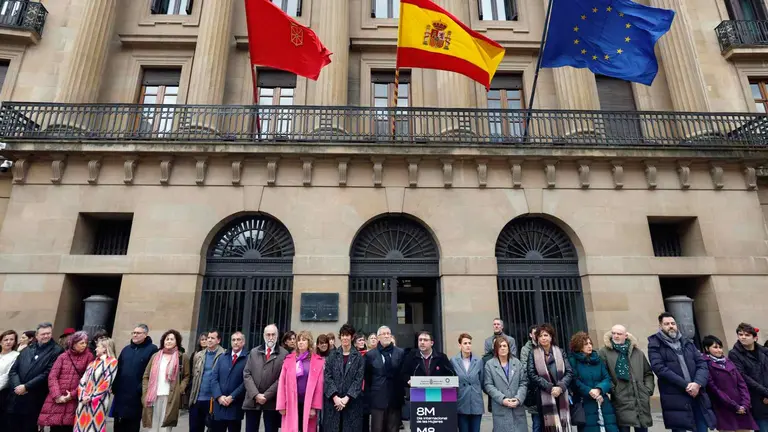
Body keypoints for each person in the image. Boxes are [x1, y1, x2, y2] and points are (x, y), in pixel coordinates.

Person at [648, 312, 715, 432]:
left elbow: (702, 364)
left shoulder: (688, 342)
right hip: (675, 395)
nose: (671, 326)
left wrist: (697, 383)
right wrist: (686, 385)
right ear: (660, 326)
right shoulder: (655, 344)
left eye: (673, 323)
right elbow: (659, 368)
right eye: (666, 324)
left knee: (702, 427)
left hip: (696, 393)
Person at [7, 322, 64, 432]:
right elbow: (13, 370)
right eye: (43, 334)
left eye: (48, 333)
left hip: (36, 397)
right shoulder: (27, 349)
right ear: (37, 335)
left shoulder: (57, 350)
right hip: (17, 396)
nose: (46, 336)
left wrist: (26, 387)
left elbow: (48, 373)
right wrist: (17, 386)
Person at [599, 324, 654, 432]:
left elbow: (648, 373)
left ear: (626, 336)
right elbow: (603, 374)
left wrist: (647, 390)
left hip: (640, 399)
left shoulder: (637, 353)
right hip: (621, 400)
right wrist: (615, 390)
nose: (616, 336)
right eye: (613, 333)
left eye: (619, 334)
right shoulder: (604, 352)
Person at [38, 330, 95, 432]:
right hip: (58, 399)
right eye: (81, 343)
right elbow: (53, 376)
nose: (84, 345)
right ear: (73, 343)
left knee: (69, 427)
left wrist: (72, 395)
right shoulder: (63, 356)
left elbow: (88, 380)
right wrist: (57, 395)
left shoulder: (89, 357)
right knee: (55, 427)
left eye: (86, 343)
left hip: (74, 400)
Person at [702, 334, 757, 432]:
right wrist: (734, 406)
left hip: (741, 407)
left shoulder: (728, 362)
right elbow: (714, 389)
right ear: (707, 348)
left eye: (720, 347)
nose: (719, 350)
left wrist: (745, 404)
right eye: (715, 347)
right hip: (724, 409)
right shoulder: (705, 364)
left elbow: (741, 384)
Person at [141, 329, 191, 431]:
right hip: (153, 396)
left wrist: (180, 389)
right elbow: (146, 376)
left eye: (172, 339)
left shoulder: (182, 357)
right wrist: (145, 392)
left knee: (165, 427)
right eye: (167, 339)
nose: (169, 341)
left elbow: (187, 376)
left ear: (177, 341)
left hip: (170, 397)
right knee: (152, 427)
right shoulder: (155, 356)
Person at [568, 331, 619, 432]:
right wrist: (590, 391)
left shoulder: (597, 359)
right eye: (585, 344)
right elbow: (575, 381)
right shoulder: (573, 361)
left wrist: (599, 389)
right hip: (585, 403)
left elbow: (607, 378)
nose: (589, 346)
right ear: (578, 346)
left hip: (603, 402)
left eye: (590, 343)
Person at [526, 323, 573, 432]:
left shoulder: (560, 352)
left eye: (546, 335)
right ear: (537, 338)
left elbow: (569, 372)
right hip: (544, 395)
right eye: (540, 336)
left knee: (562, 425)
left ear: (551, 337)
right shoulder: (533, 353)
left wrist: (560, 387)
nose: (543, 338)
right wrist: (549, 387)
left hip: (561, 394)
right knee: (547, 427)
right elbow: (531, 374)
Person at [112, 323, 158, 432]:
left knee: (132, 425)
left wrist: (141, 389)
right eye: (133, 333)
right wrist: (114, 386)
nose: (135, 335)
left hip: (136, 395)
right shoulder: (126, 349)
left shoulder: (152, 349)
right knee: (118, 424)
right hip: (121, 393)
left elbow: (152, 372)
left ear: (145, 335)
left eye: (138, 333)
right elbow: (118, 369)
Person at [243, 324, 288, 432]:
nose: (270, 337)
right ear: (264, 335)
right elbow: (247, 374)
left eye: (273, 334)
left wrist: (266, 395)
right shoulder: (254, 352)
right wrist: (256, 394)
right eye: (268, 335)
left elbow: (282, 378)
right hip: (253, 400)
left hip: (272, 401)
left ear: (277, 336)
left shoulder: (284, 354)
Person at [277, 331, 324, 432]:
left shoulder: (316, 361)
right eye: (299, 340)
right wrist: (281, 405)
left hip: (308, 403)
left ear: (309, 342)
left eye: (304, 340)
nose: (301, 342)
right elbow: (282, 383)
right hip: (291, 403)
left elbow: (319, 386)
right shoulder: (289, 359)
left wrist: (314, 407)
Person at [324, 323, 365, 432]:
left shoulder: (358, 357)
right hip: (334, 403)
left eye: (347, 335)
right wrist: (335, 397)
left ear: (352, 337)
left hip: (352, 403)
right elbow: (327, 376)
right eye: (342, 335)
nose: (345, 338)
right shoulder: (332, 355)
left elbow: (358, 380)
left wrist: (346, 398)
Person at [728, 322, 768, 432]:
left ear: (755, 338)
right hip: (755, 398)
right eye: (740, 334)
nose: (743, 337)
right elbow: (743, 377)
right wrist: (765, 392)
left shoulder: (764, 351)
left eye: (747, 335)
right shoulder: (734, 354)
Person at [365, 325, 405, 432]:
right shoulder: (370, 355)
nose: (387, 336)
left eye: (388, 334)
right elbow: (367, 378)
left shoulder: (400, 353)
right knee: (377, 428)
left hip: (395, 398)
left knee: (393, 429)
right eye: (384, 334)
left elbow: (402, 374)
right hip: (377, 399)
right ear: (378, 337)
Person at [75, 337, 119, 432]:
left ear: (105, 348)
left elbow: (107, 383)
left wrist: (91, 397)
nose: (95, 349)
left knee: (93, 428)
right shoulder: (92, 363)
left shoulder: (112, 362)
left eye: (98, 346)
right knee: (80, 427)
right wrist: (82, 396)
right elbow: (83, 381)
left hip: (98, 402)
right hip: (84, 401)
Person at [484, 336, 527, 432]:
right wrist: (502, 399)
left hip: (517, 407)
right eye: (500, 346)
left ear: (508, 348)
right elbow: (488, 385)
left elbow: (523, 382)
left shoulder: (517, 363)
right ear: (496, 349)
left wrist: (518, 399)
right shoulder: (489, 365)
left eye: (505, 346)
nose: (502, 348)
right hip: (501, 408)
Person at [189, 329, 226, 432]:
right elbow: (194, 375)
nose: (209, 340)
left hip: (214, 400)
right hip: (197, 399)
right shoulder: (198, 355)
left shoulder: (224, 355)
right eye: (208, 338)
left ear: (218, 340)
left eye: (212, 338)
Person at [211, 331, 248, 432]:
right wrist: (219, 396)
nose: (236, 342)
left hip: (235, 406)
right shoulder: (222, 357)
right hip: (219, 405)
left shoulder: (247, 359)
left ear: (243, 342)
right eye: (233, 340)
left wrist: (232, 396)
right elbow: (214, 379)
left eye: (238, 340)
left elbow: (246, 382)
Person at [450, 333, 484, 432]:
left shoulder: (478, 361)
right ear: (460, 345)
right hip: (461, 401)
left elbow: (482, 379)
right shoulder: (453, 361)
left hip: (476, 401)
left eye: (469, 343)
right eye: (465, 343)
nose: (468, 345)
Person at [518, 325, 541, 432]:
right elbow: (524, 367)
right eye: (535, 333)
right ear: (530, 335)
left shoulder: (545, 346)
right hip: (534, 387)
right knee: (537, 422)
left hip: (547, 388)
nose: (537, 335)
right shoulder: (525, 349)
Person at [0, 329, 19, 431]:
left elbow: (7, 375)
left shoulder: (16, 355)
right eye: (6, 339)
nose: (8, 342)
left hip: (3, 392)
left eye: (11, 339)